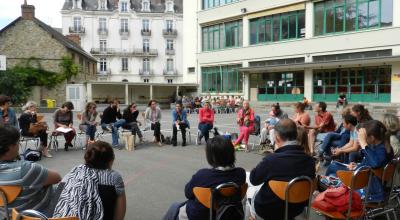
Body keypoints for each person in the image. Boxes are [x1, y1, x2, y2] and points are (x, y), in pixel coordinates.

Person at [163, 136, 246, 220]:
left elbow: (188, 193)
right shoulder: (241, 173)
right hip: (229, 214)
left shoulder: (203, 175)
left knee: (175, 206)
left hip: (200, 215)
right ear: (232, 153)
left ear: (212, 157)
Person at [248, 119, 315, 220]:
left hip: (268, 211)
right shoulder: (310, 160)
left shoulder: (272, 160)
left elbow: (254, 179)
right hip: (296, 210)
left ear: (277, 137)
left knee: (251, 191)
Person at [53, 141, 126, 220]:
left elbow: (57, 198)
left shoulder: (74, 172)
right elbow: (119, 215)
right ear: (111, 160)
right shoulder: (114, 177)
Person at [0, 125, 61, 215]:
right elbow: (57, 178)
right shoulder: (24, 169)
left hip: (7, 214)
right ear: (10, 147)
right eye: (18, 142)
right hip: (35, 214)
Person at [325, 120, 393, 202]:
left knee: (332, 170)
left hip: (370, 188)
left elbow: (375, 164)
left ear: (372, 138)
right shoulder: (379, 146)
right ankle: (325, 194)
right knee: (332, 172)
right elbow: (370, 163)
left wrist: (363, 143)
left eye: (362, 137)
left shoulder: (382, 149)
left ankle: (325, 196)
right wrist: (357, 166)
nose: (358, 139)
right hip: (366, 180)